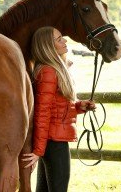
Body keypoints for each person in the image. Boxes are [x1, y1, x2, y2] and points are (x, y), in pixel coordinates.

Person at [22, 26, 96, 192]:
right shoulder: (49, 71)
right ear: (48, 46)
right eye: (59, 39)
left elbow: (57, 107)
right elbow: (42, 112)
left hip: (51, 140)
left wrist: (79, 106)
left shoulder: (53, 69)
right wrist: (38, 151)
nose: (65, 41)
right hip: (53, 142)